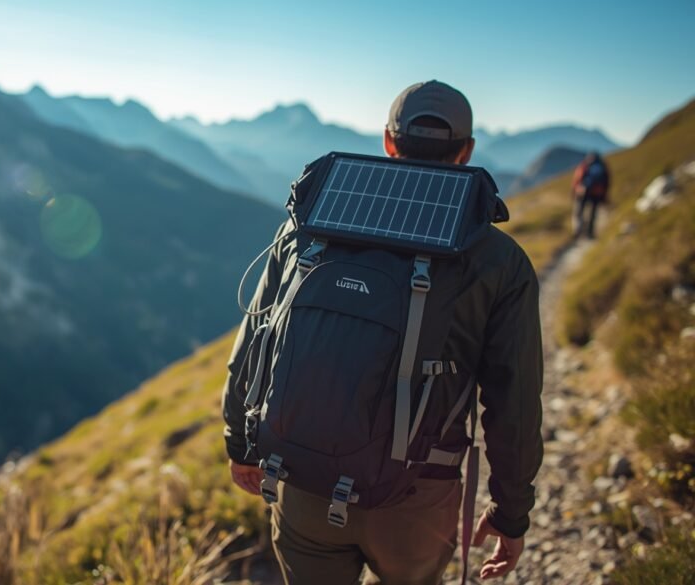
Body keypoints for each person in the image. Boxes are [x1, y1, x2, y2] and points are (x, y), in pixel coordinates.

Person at [222, 80, 543, 584]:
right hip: (417, 497)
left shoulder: (307, 227)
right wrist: (511, 513)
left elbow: (256, 339)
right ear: (467, 152)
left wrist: (239, 442)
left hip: (301, 477)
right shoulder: (498, 260)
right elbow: (514, 403)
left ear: (388, 142)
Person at [572, 152, 611, 239]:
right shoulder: (602, 167)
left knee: (579, 212)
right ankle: (589, 232)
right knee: (592, 213)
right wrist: (604, 196)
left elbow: (576, 180)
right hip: (596, 194)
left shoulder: (584, 166)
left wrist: (574, 192)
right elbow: (606, 183)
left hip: (582, 193)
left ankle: (578, 230)